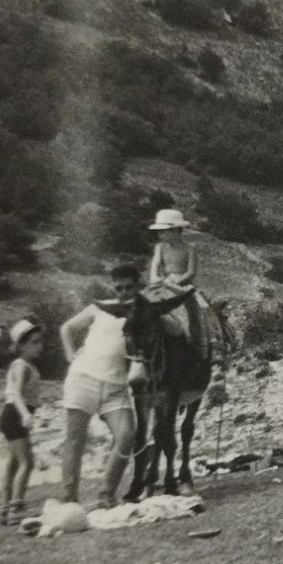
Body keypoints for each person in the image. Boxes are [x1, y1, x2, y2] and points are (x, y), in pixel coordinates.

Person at [58, 264, 141, 508]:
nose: (124, 292)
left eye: (129, 287)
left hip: (116, 388)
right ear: (112, 287)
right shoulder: (99, 308)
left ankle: (106, 495)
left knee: (126, 436)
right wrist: (71, 355)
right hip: (83, 379)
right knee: (75, 440)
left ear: (137, 287)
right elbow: (67, 328)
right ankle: (69, 500)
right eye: (119, 288)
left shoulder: (141, 313)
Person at [0, 318, 43, 525]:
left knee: (13, 464)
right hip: (14, 414)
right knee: (27, 462)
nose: (39, 346)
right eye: (33, 342)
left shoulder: (27, 365)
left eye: (40, 342)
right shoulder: (21, 366)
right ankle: (16, 506)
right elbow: (15, 392)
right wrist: (25, 414)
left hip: (11, 415)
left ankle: (4, 510)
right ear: (20, 346)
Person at [148, 207, 207, 353]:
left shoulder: (189, 249)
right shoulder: (160, 248)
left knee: (203, 307)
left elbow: (191, 272)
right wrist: (156, 278)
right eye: (159, 231)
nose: (160, 234)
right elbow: (155, 265)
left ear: (176, 230)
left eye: (164, 231)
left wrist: (175, 283)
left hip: (183, 285)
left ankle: (209, 345)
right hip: (163, 283)